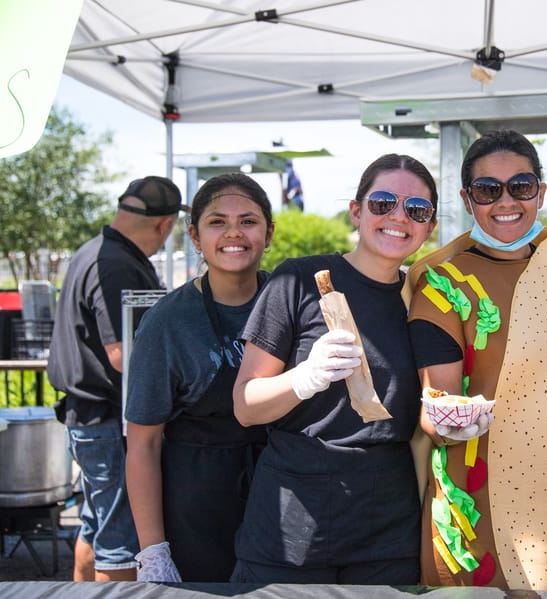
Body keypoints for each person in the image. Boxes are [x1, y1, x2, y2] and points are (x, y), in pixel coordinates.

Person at [404, 129, 547, 590]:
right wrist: (450, 421)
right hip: (484, 487)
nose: (505, 201)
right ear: (467, 198)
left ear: (540, 191)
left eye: (520, 186)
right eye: (487, 190)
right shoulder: (444, 283)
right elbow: (438, 407)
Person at [230, 153, 437, 584]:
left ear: (429, 226)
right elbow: (246, 405)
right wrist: (304, 378)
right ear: (357, 211)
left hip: (388, 520)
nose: (399, 217)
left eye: (416, 209)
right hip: (293, 516)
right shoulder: (298, 281)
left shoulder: (428, 299)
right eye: (383, 203)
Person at [124, 173, 274, 582]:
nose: (233, 233)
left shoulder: (289, 304)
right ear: (194, 235)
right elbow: (142, 442)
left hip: (277, 500)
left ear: (269, 233)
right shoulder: (168, 322)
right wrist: (153, 550)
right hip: (194, 507)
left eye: (248, 221)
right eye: (217, 222)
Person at [48, 175, 186, 581]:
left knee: (95, 525)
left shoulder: (93, 250)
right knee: (120, 543)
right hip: (108, 421)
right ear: (165, 225)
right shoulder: (115, 263)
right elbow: (123, 355)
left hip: (89, 419)